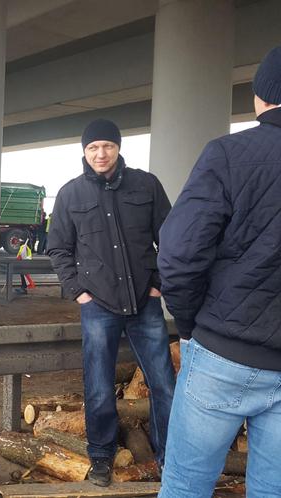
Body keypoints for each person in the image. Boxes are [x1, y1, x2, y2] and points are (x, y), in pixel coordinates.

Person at [157, 46, 281, 498]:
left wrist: (190, 325)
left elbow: (178, 252)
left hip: (222, 353)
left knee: (187, 485)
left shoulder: (229, 155)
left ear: (260, 96)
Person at [47, 119, 175, 486]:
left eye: (107, 146)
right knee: (99, 384)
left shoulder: (146, 185)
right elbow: (58, 248)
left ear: (118, 148)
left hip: (144, 303)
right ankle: (101, 457)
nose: (100, 154)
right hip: (98, 303)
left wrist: (158, 284)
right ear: (84, 152)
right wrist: (78, 291)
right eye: (92, 148)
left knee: (164, 383)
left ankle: (167, 456)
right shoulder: (71, 194)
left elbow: (170, 238)